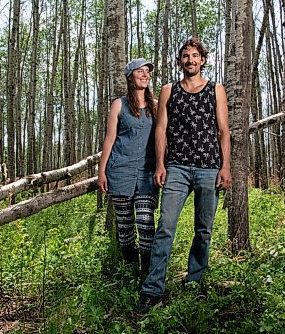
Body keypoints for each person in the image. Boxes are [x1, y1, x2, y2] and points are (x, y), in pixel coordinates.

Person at [135, 38, 232, 312]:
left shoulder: (216, 90)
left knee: (204, 230)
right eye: (185, 56)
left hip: (208, 167)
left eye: (195, 56)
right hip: (176, 167)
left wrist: (225, 167)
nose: (190, 60)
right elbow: (161, 130)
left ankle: (194, 281)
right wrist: (160, 165)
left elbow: (224, 131)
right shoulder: (169, 90)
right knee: (165, 226)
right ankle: (152, 290)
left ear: (203, 60)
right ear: (180, 61)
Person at [98, 58, 159, 277]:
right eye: (140, 71)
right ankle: (130, 272)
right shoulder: (119, 105)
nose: (145, 75)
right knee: (124, 229)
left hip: (147, 175)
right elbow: (110, 139)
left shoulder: (156, 105)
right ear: (130, 77)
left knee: (145, 223)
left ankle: (146, 275)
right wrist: (101, 171)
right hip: (120, 172)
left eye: (147, 72)